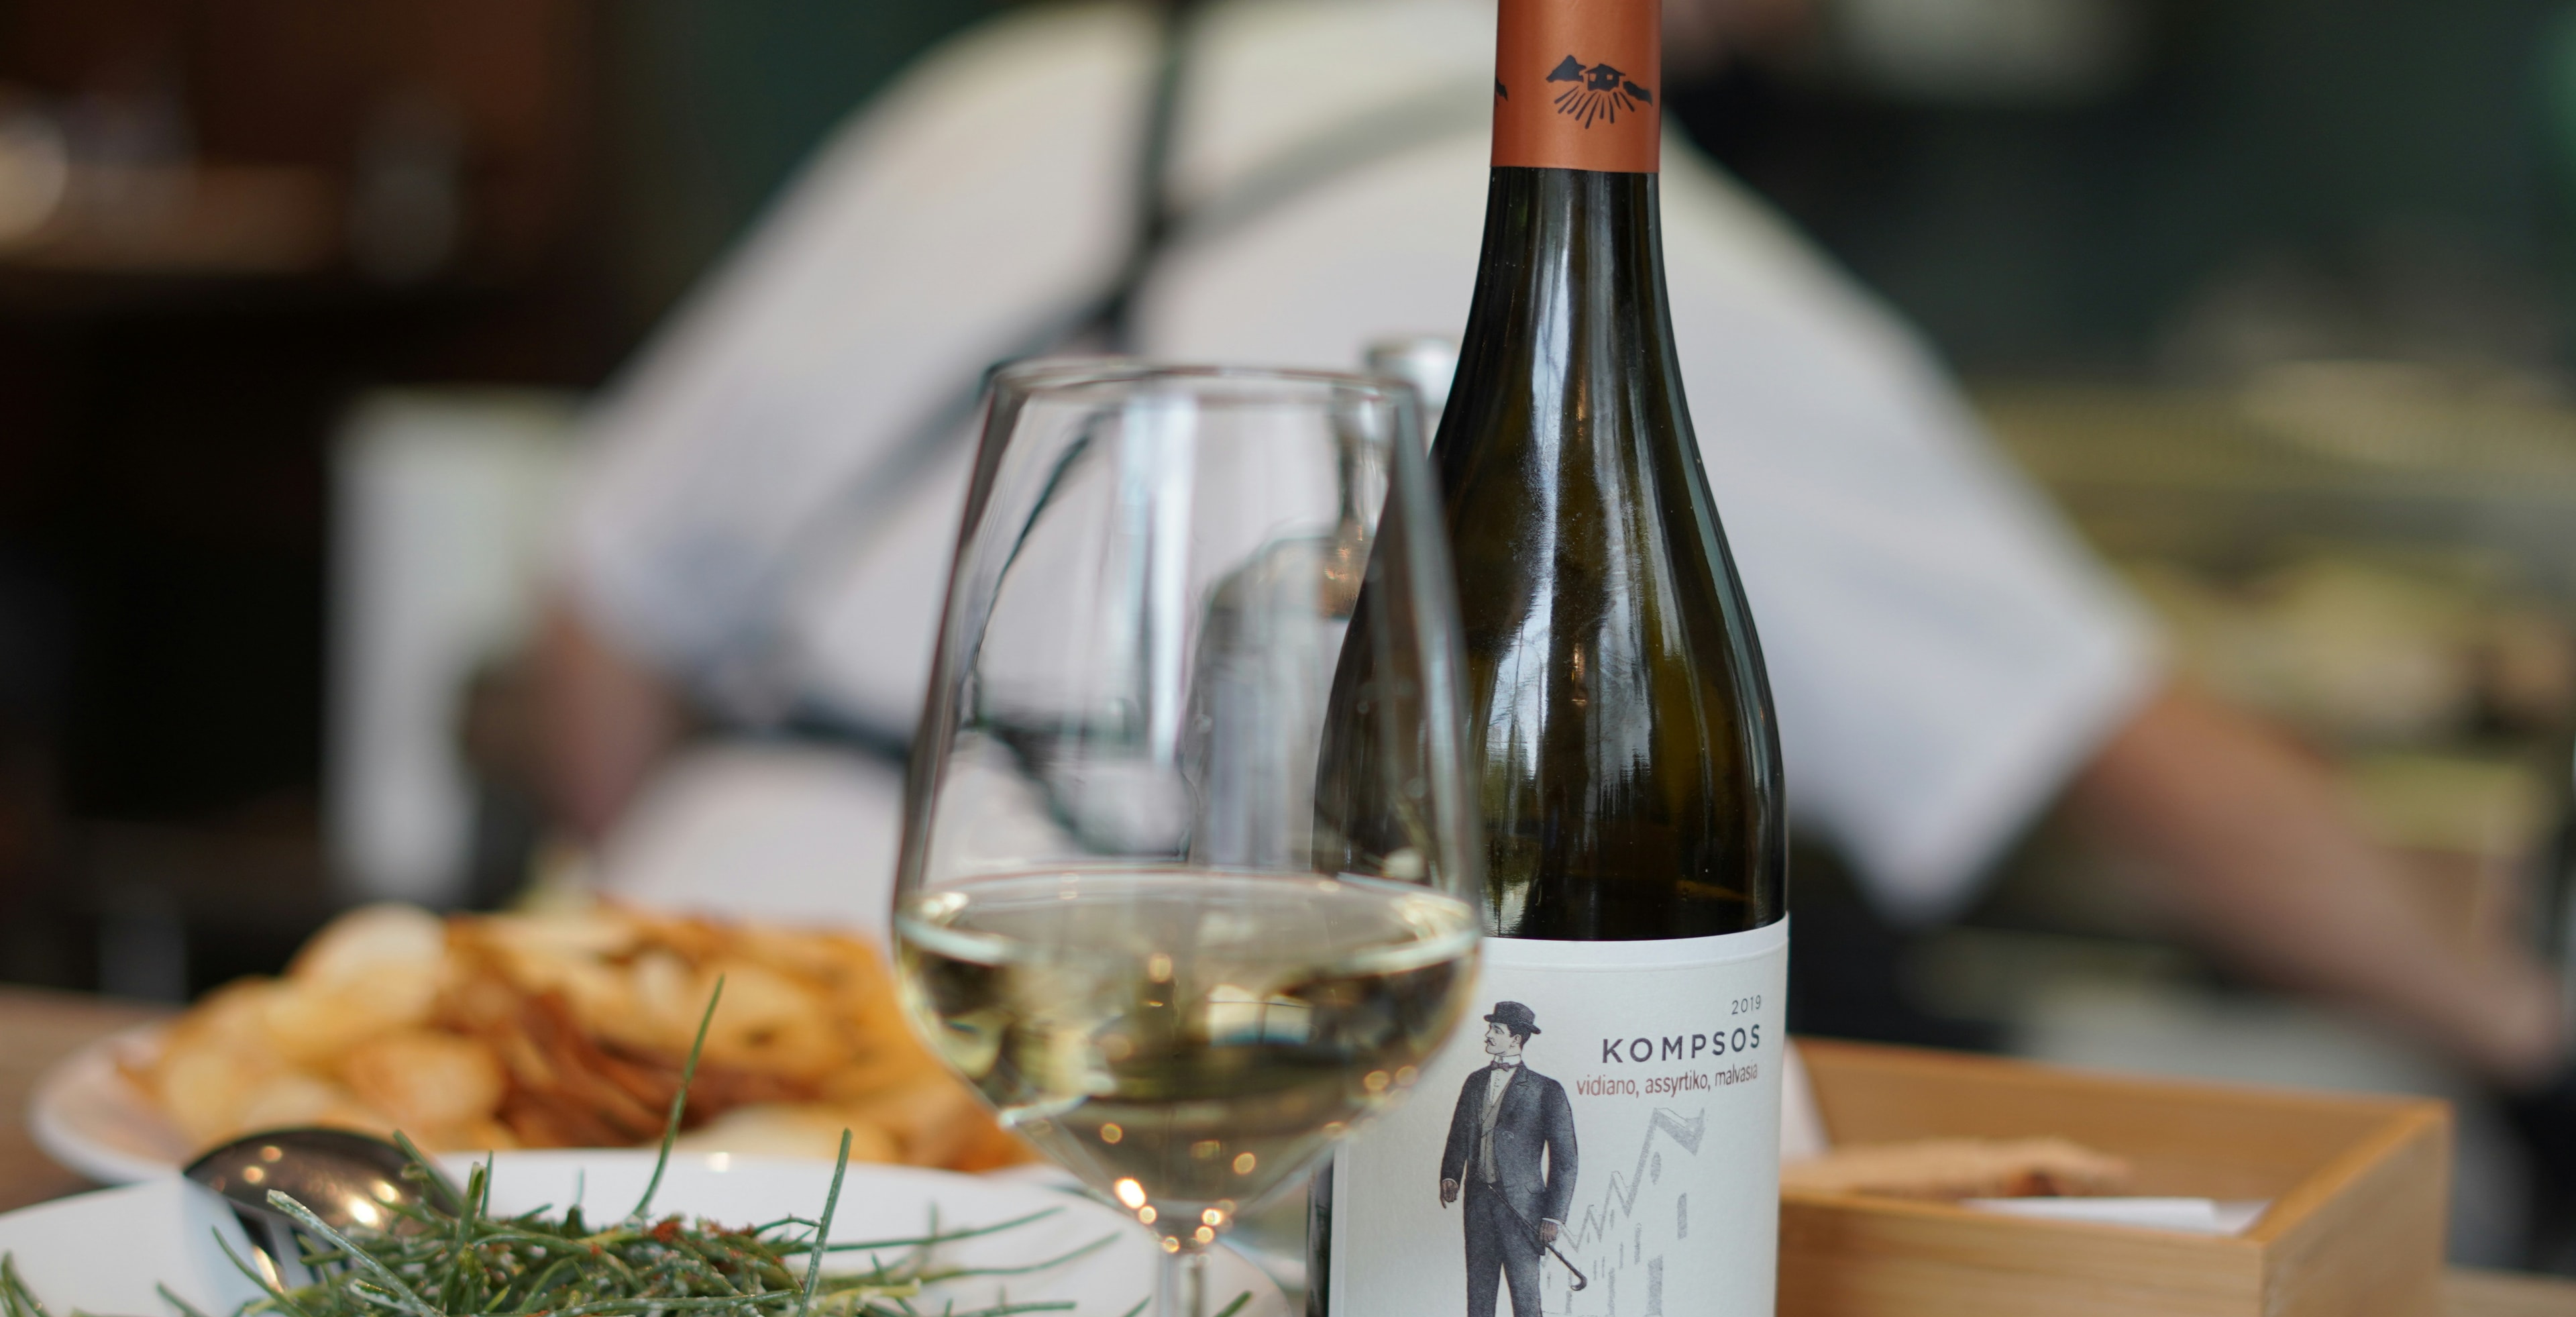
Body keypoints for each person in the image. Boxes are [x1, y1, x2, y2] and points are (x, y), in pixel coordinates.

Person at [535, 0, 2571, 1240]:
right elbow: (2144, 765)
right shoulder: (1698, 286)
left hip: (640, 1020)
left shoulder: (1016, 90)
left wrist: (624, 975)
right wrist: (2515, 1022)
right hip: (1086, 1132)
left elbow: (596, 623)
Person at [1438, 1002, 1577, 1317]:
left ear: (1516, 1038)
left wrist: (1553, 1217)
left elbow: (1566, 1160)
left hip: (1525, 1216)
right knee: (1478, 1302)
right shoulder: (1475, 1082)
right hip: (1478, 1208)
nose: (1487, 1037)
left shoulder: (1546, 1090)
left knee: (1526, 1304)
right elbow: (1458, 1135)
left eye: (1495, 1030)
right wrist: (1451, 1175)